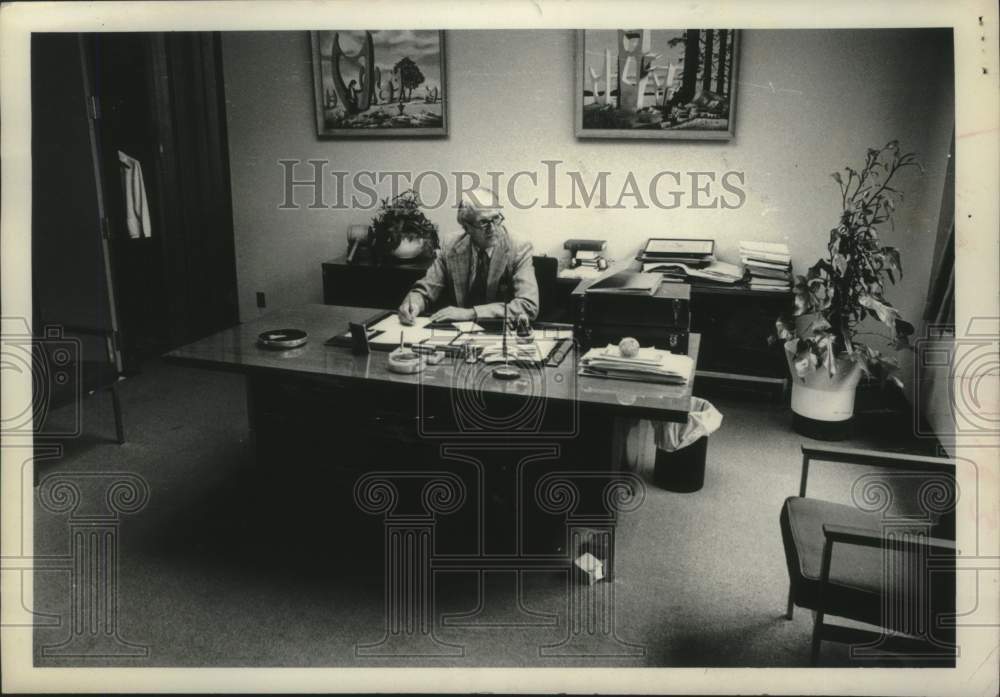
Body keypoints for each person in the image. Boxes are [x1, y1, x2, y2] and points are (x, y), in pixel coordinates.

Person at [398, 188, 539, 325]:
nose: (493, 228)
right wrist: (413, 303)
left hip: (500, 332)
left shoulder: (518, 247)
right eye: (483, 222)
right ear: (466, 227)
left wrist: (470, 313)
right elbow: (427, 289)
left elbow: (528, 305)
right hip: (460, 336)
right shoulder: (451, 245)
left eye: (496, 218)